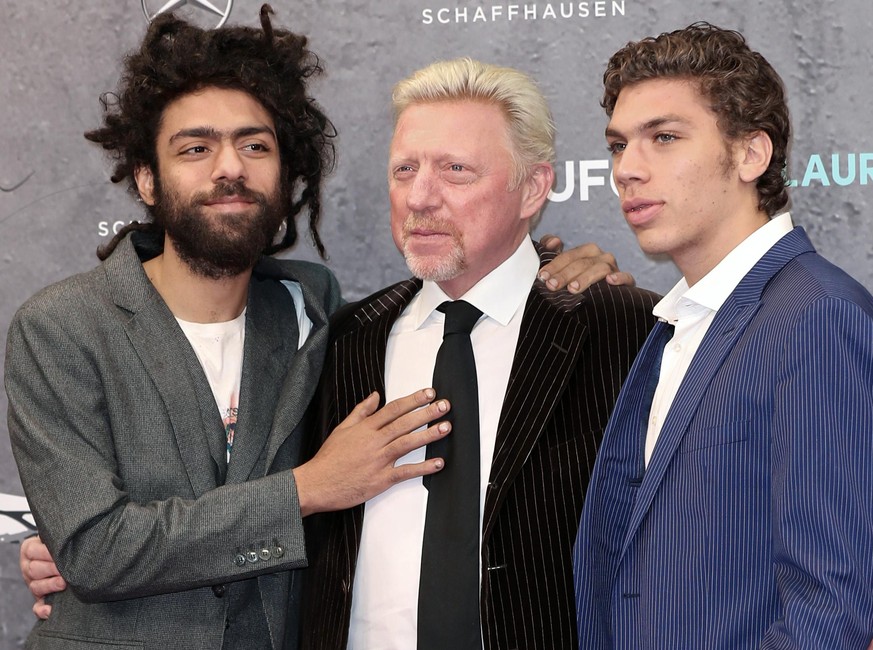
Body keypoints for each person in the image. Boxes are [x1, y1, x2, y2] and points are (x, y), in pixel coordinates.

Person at [11, 7, 629, 646]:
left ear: (286, 173)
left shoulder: (312, 310)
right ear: (146, 177)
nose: (230, 168)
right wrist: (307, 489)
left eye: (255, 146)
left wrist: (549, 267)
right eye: (195, 148)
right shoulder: (62, 327)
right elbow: (95, 548)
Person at [299, 58, 659, 650]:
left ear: (534, 188)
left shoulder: (623, 329)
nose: (420, 197)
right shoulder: (343, 340)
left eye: (455, 171)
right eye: (405, 169)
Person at [573, 22, 873, 649]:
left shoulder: (816, 314)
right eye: (618, 145)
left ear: (750, 154)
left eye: (665, 137)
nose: (628, 169)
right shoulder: (679, 324)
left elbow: (830, 613)